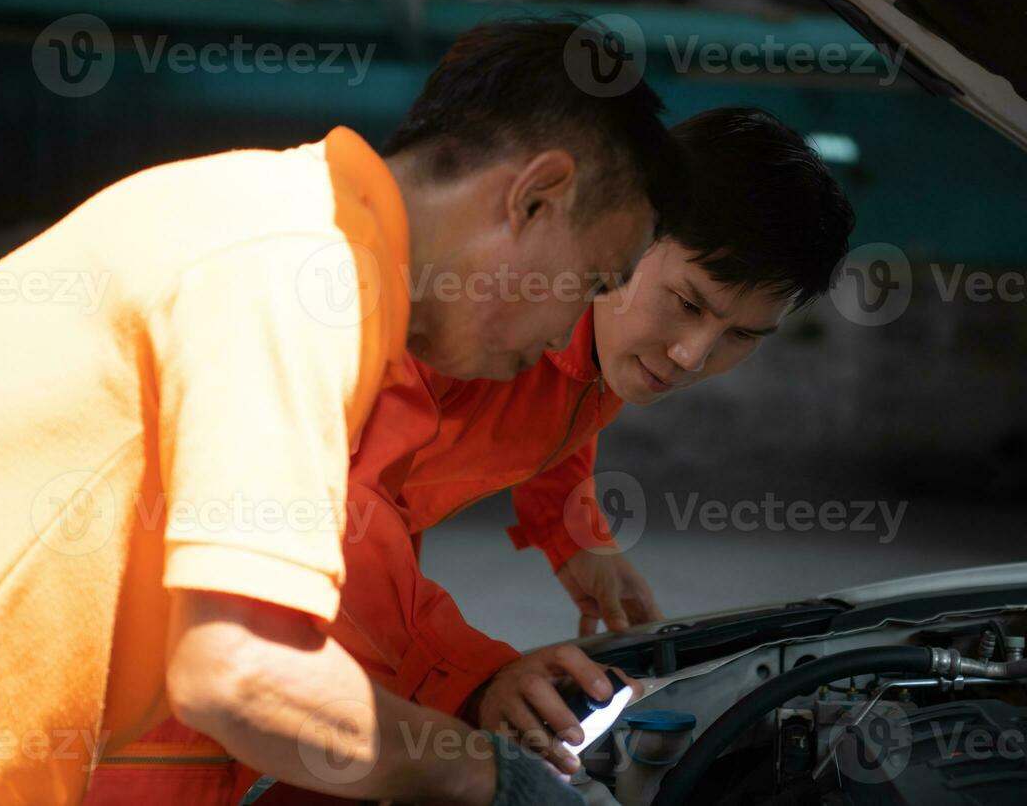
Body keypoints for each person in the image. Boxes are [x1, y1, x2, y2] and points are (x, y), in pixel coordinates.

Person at [0, 19, 683, 805]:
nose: (570, 329)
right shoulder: (300, 270)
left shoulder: (283, 227)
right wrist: (490, 778)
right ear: (536, 198)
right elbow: (244, 671)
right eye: (590, 280)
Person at [158, 106, 853, 804]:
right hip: (207, 604)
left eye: (741, 335)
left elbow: (569, 409)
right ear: (635, 229)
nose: (691, 355)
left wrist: (574, 534)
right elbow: (344, 523)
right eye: (687, 303)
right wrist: (472, 677)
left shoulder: (611, 347)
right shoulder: (466, 324)